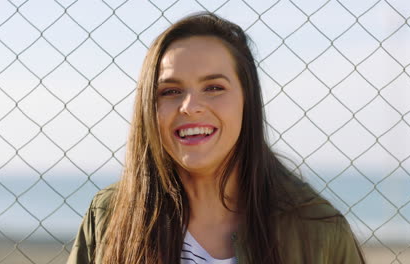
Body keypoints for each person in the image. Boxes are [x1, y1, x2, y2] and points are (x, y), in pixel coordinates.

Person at [67, 12, 365, 264]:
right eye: (170, 91)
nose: (190, 106)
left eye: (213, 88)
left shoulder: (317, 228)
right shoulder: (109, 215)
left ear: (247, 101)